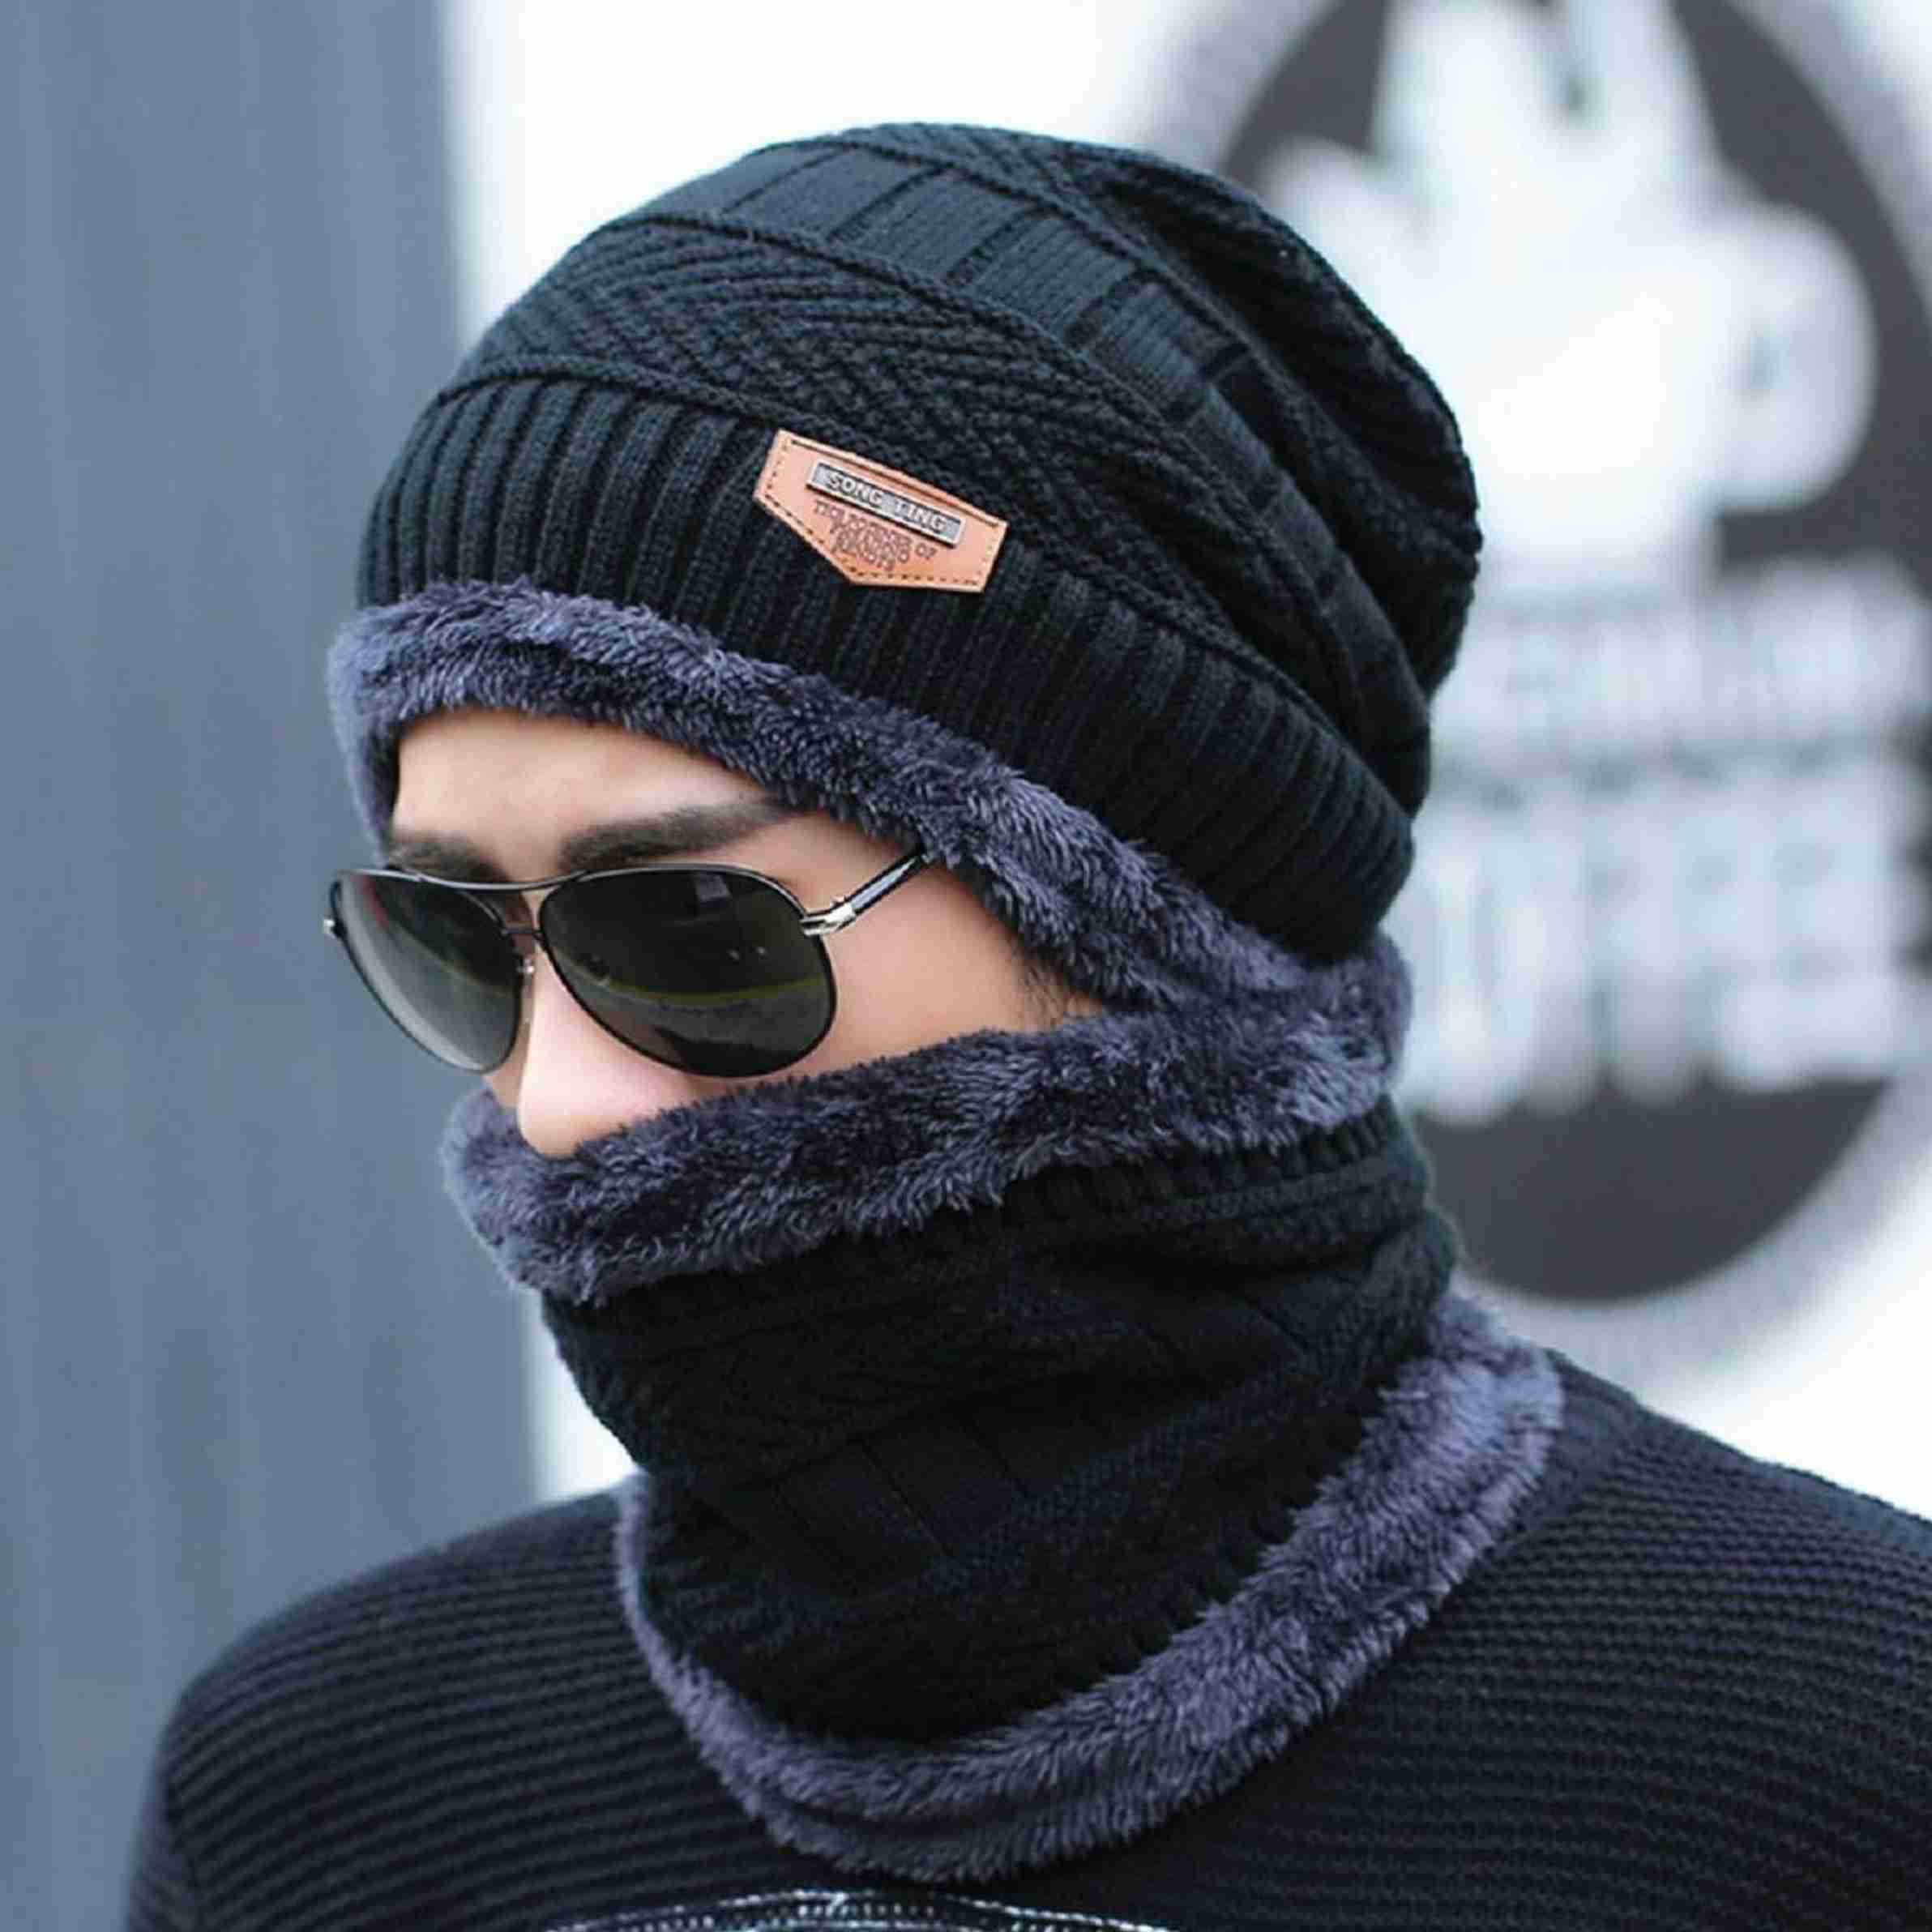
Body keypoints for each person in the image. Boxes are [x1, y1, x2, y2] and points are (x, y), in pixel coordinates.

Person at [127, 124, 1931, 1930]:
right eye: (459, 944)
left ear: (1144, 917)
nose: (560, 1102)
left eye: (689, 929)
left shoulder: (1841, 1759)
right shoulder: (317, 1813)